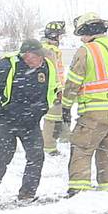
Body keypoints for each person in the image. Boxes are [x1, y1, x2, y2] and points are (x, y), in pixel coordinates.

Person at [61, 13, 108, 195]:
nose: (81, 39)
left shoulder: (86, 51)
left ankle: (79, 191)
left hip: (93, 115)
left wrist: (66, 106)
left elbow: (73, 83)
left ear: (87, 31)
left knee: (81, 150)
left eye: (81, 34)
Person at [0, 39, 58, 201]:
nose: (41, 60)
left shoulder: (45, 67)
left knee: (36, 157)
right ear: (28, 55)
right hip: (7, 122)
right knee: (2, 157)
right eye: (38, 57)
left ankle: (27, 194)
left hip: (31, 123)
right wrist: (1, 115)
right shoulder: (6, 66)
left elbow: (52, 90)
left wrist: (40, 111)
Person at [41, 21, 68, 155]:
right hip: (53, 90)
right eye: (59, 36)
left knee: (59, 116)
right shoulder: (49, 51)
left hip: (55, 89)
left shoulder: (49, 49)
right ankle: (49, 147)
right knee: (51, 119)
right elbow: (53, 74)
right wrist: (57, 91)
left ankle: (63, 138)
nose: (60, 39)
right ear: (54, 36)